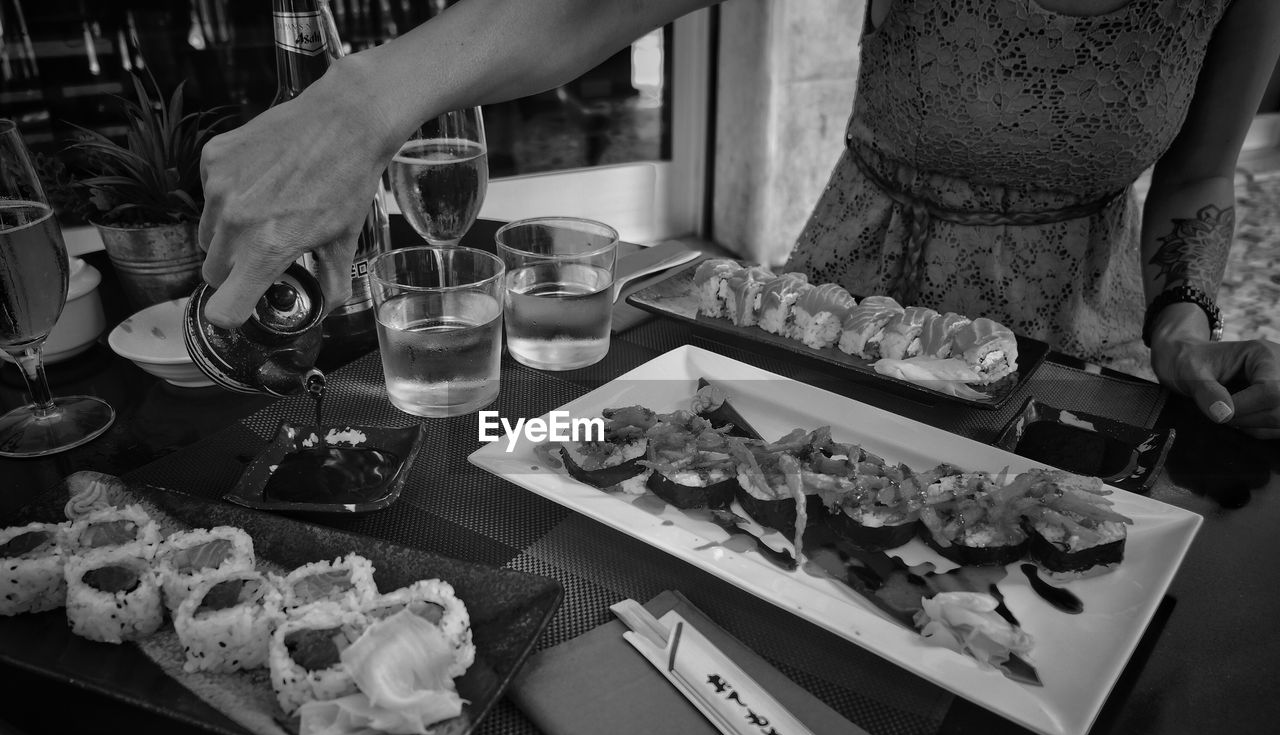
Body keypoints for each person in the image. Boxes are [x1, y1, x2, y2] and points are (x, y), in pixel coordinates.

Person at [197, 0, 1280, 438]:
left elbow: (1194, 176)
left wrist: (1181, 319)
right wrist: (357, 106)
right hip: (843, 301)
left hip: (1070, 344)